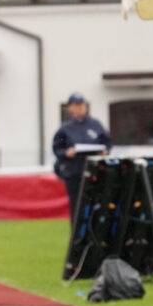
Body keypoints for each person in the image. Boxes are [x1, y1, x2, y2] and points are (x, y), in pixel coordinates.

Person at [52, 92, 111, 221]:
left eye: (81, 104)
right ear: (70, 107)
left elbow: (107, 144)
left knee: (95, 206)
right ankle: (77, 238)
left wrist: (104, 152)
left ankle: (94, 237)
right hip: (74, 173)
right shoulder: (65, 128)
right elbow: (57, 149)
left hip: (94, 172)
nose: (79, 107)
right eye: (76, 105)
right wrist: (66, 153)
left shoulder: (95, 124)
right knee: (77, 207)